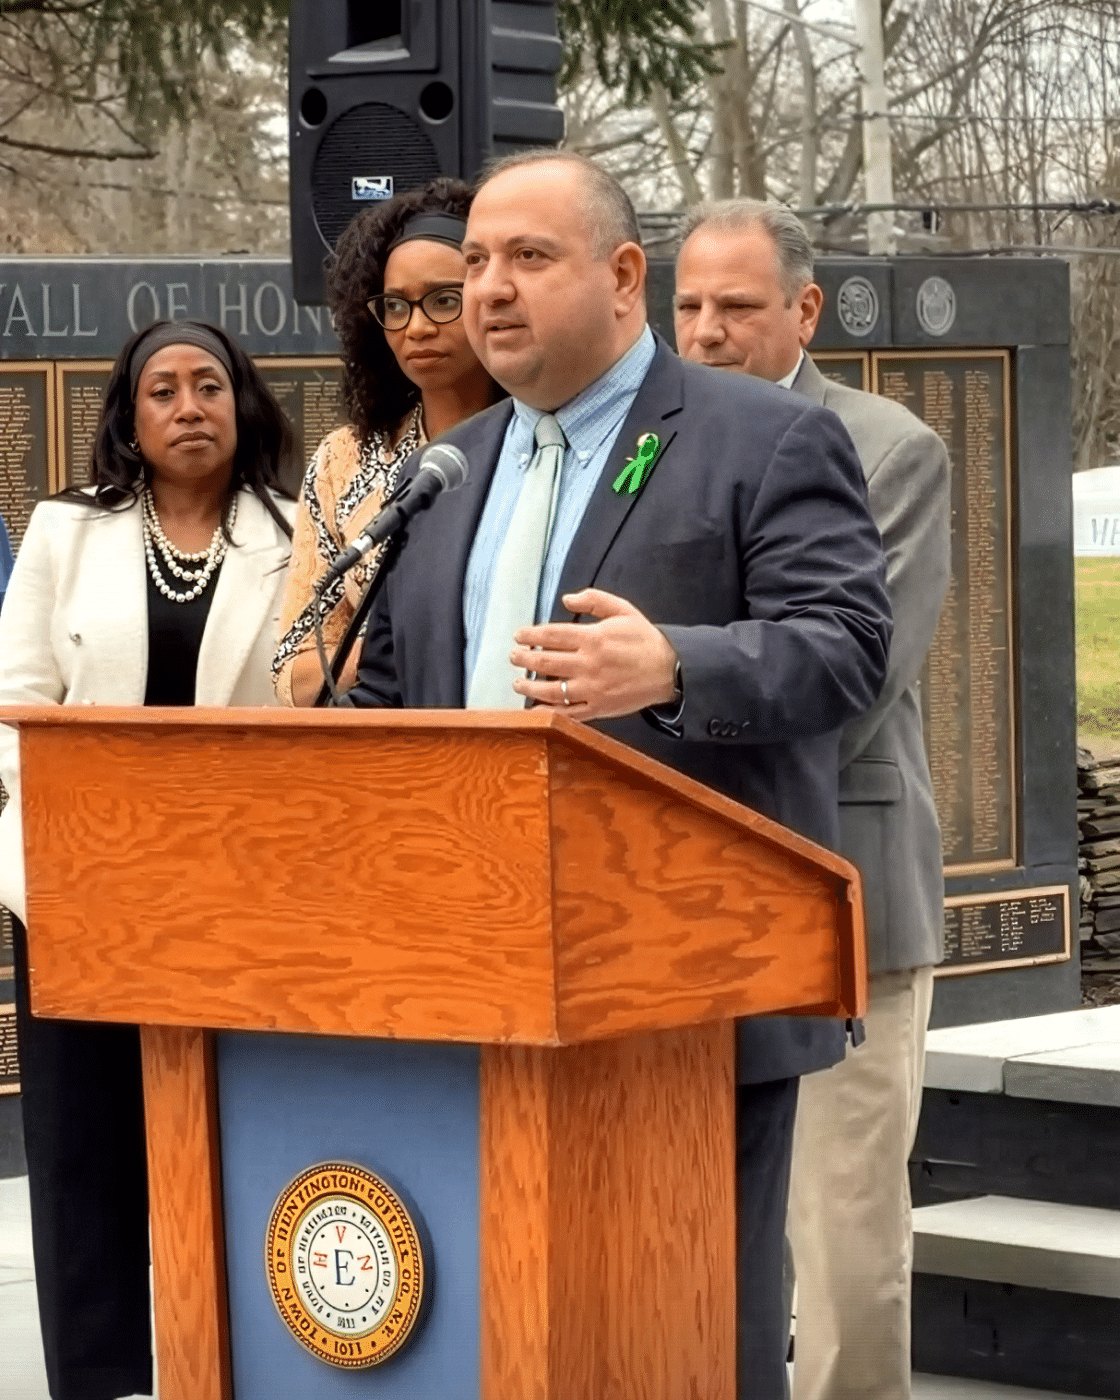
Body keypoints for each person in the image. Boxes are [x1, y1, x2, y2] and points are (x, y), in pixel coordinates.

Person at [340, 150, 892, 1397]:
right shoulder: (449, 471)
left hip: (683, 992)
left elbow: (847, 648)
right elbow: (389, 706)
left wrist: (676, 664)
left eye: (528, 258)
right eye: (475, 262)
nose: (488, 289)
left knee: (680, 1344)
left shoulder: (763, 437)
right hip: (466, 981)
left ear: (624, 275)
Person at [674, 199, 950, 1400]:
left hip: (841, 897)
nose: (706, 331)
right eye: (687, 305)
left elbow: (849, 678)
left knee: (839, 1237)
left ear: (803, 310)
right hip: (675, 911)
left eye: (736, 306)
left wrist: (668, 698)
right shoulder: (648, 448)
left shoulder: (887, 449)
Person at [0, 318, 297, 1400]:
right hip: (80, 885)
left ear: (241, 403)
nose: (187, 407)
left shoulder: (296, 535)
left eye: (208, 385)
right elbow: (17, 700)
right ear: (130, 418)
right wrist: (83, 828)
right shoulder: (66, 531)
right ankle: (102, 1375)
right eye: (162, 390)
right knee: (83, 1145)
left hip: (236, 891)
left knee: (229, 1132)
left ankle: (240, 1360)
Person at [273, 177, 503, 705]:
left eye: (443, 300)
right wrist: (397, 649)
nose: (416, 327)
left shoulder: (546, 441)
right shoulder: (345, 459)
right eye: (396, 306)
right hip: (386, 734)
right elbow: (294, 673)